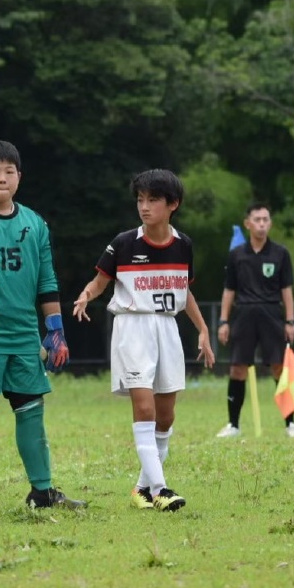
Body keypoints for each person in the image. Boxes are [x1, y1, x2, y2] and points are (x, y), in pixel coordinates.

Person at [73, 169, 214, 512]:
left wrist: (203, 329)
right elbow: (100, 282)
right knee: (145, 409)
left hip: (167, 329)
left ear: (173, 204)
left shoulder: (183, 245)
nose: (144, 207)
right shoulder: (123, 243)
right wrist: (86, 295)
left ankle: (141, 488)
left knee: (166, 416)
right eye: (140, 200)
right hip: (133, 329)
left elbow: (184, 291)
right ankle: (161, 489)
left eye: (153, 200)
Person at [0, 140, 86, 510]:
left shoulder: (35, 224)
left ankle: (42, 492)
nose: (2, 178)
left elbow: (46, 280)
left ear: (19, 176)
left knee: (31, 411)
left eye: (9, 171)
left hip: (24, 335)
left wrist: (55, 330)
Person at [215, 201, 294, 438]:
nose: (262, 224)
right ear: (248, 223)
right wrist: (223, 321)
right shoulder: (236, 255)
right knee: (237, 368)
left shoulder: (280, 253)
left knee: (279, 367)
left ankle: (291, 424)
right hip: (243, 315)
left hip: (272, 314)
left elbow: (287, 290)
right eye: (257, 220)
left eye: (265, 220)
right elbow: (229, 290)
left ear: (270, 223)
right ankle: (233, 425)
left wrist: (290, 321)